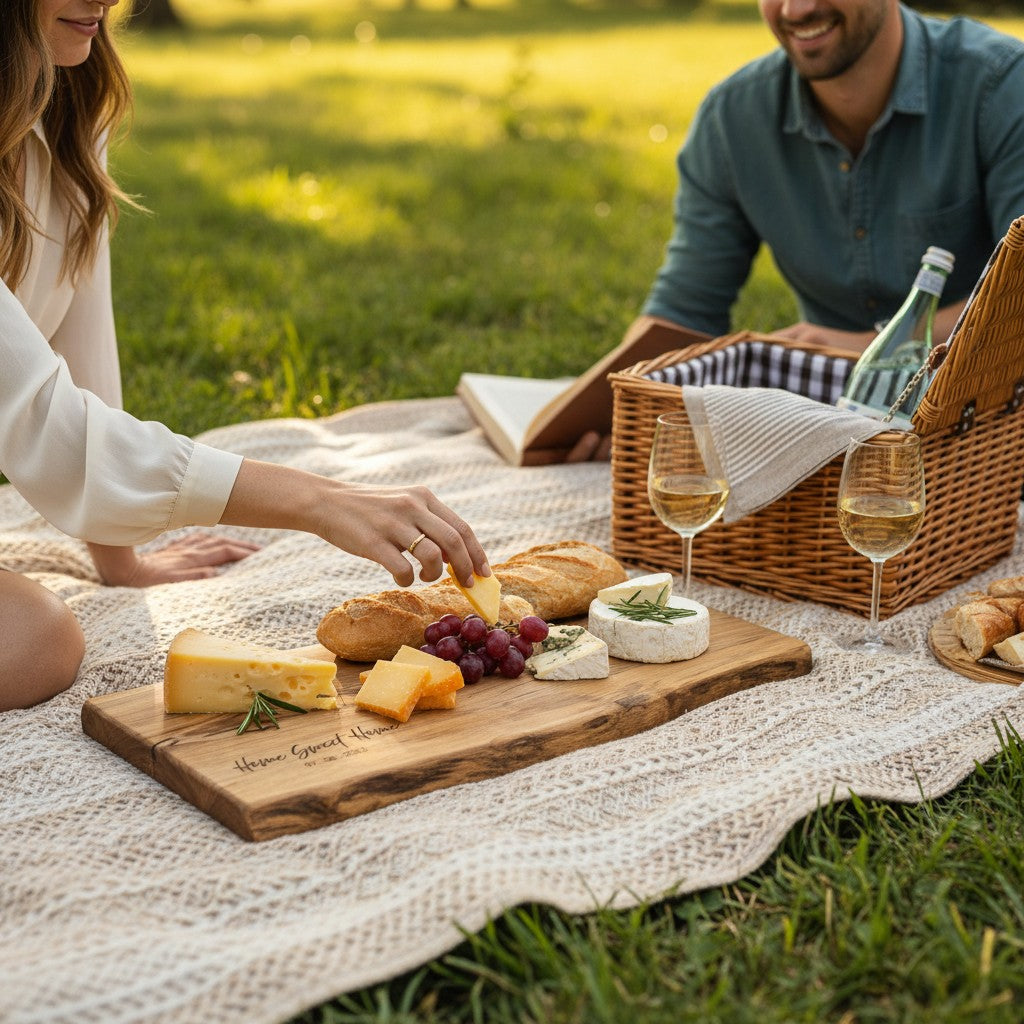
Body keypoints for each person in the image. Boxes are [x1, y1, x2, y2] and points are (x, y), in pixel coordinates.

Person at [0, 0, 491, 712]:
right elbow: (46, 423)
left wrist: (121, 561)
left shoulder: (69, 101)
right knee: (36, 641)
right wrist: (318, 500)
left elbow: (78, 360)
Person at [569, 0, 1024, 460]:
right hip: (822, 444)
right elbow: (685, 310)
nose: (797, 8)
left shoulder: (1001, 87)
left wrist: (867, 350)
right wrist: (610, 407)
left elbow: (1019, 303)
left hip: (989, 434)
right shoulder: (732, 120)